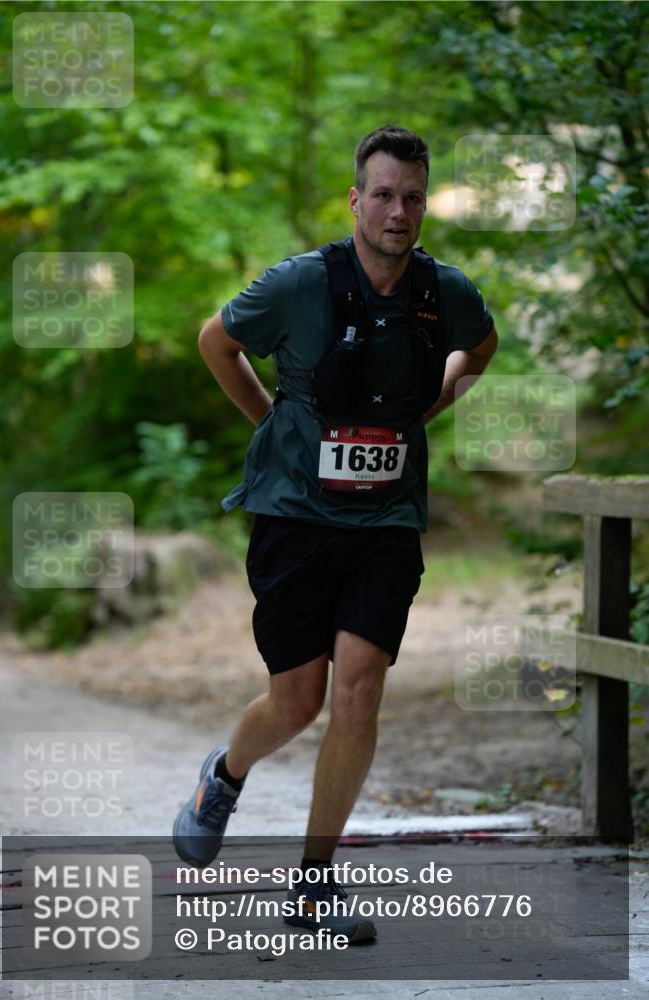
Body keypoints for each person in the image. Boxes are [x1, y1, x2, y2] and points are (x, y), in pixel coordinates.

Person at [173, 125, 498, 944]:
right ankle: (225, 774)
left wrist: (440, 397)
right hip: (294, 519)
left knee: (358, 687)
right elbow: (217, 339)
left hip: (385, 520)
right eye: (383, 195)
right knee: (297, 700)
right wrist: (272, 424)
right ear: (356, 199)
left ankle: (315, 884)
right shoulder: (298, 284)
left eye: (413, 197)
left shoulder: (441, 291)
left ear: (425, 205)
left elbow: (480, 342)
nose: (398, 211)